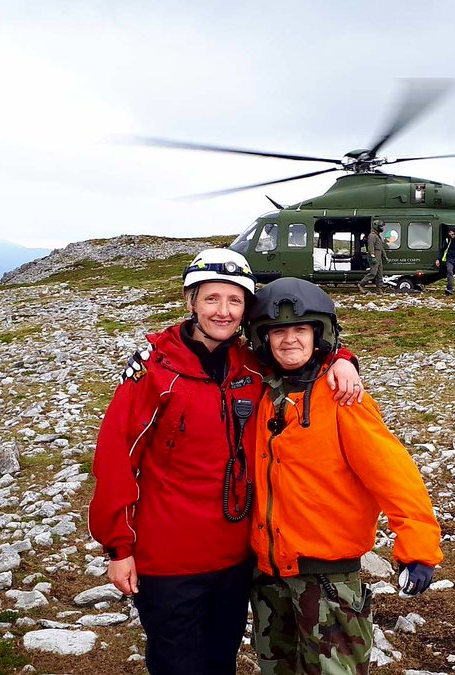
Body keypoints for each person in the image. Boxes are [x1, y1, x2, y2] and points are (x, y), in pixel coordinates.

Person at [88, 249, 363, 675]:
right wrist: (118, 548)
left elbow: (300, 353)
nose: (223, 311)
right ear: (190, 302)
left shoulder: (251, 366)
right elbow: (115, 460)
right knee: (178, 664)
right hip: (168, 560)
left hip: (235, 558)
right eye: (212, 298)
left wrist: (343, 360)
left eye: (235, 301)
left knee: (221, 661)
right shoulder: (155, 372)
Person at [244, 278, 444, 674]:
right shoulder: (258, 392)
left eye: (300, 329)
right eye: (278, 331)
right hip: (268, 578)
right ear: (261, 339)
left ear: (319, 334)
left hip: (329, 579)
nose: (289, 340)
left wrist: (418, 547)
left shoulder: (344, 398)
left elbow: (393, 473)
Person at [435, 226, 455, 295]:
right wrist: (438, 259)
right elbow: (442, 249)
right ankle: (449, 289)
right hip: (450, 259)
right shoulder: (447, 240)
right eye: (450, 234)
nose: (451, 236)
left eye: (452, 234)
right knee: (449, 272)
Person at [358, 221, 387, 292]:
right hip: (374, 256)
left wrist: (385, 256)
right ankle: (361, 284)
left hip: (379, 256)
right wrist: (373, 256)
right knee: (373, 273)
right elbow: (371, 247)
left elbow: (381, 248)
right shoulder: (372, 235)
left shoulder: (377, 236)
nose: (382, 228)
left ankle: (379, 288)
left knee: (380, 274)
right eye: (380, 226)